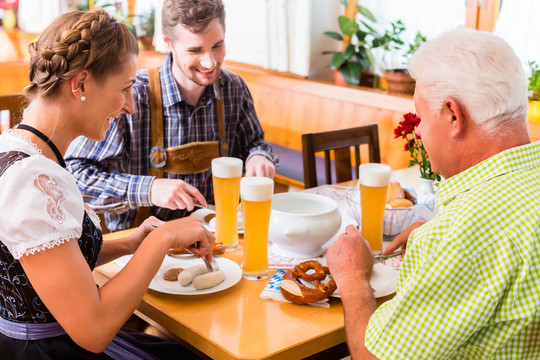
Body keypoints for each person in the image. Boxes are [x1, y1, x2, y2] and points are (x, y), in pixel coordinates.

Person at [0, 9, 214, 359]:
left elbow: (51, 265)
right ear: (81, 84)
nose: (130, 106)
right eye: (125, 89)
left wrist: (131, 243)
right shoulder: (32, 180)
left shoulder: (19, 150)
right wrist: (163, 238)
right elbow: (94, 331)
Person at [327, 28, 540, 359]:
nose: (420, 131)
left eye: (422, 117)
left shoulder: (465, 231)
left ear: (454, 115)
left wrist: (353, 279)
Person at [65, 0, 278, 232]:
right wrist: (148, 189)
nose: (210, 62)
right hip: (140, 245)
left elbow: (256, 144)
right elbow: (74, 177)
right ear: (168, 42)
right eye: (195, 50)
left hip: (216, 239)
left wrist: (259, 157)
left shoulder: (234, 88)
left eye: (217, 45)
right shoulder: (131, 95)